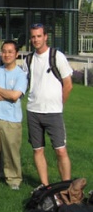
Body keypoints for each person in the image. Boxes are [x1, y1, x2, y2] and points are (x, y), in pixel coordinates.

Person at [24, 23, 73, 187]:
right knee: (37, 150)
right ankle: (45, 186)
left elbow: (68, 84)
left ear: (45, 37)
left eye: (39, 36)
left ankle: (66, 186)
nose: (36, 39)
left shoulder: (56, 56)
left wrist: (59, 105)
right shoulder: (28, 59)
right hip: (33, 111)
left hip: (53, 112)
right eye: (33, 36)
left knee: (60, 150)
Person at [0, 40, 27, 190]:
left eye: (10, 52)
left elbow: (15, 96)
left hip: (11, 119)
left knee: (11, 152)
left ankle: (13, 179)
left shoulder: (21, 74)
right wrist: (6, 94)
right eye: (4, 51)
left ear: (16, 54)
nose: (6, 55)